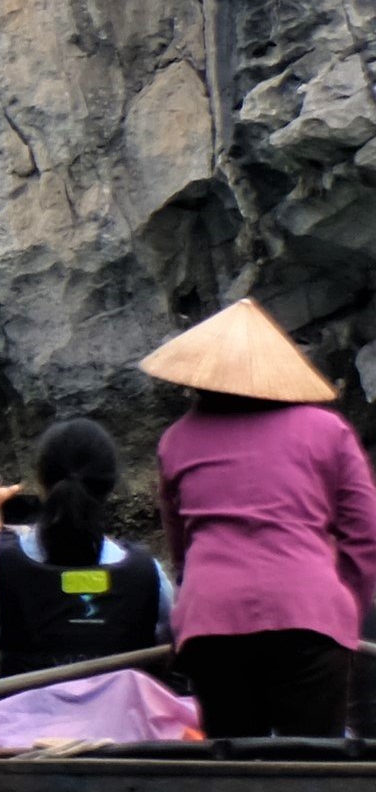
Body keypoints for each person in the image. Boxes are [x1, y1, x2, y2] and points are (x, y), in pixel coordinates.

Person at [0, 415, 191, 746]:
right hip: (121, 749)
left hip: (12, 752)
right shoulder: (148, 573)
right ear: (110, 487)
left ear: (41, 482)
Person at [146, 298, 376, 739]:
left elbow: (183, 551)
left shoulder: (176, 440)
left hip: (211, 618)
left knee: (232, 764)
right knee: (310, 765)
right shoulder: (328, 431)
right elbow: (364, 536)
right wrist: (345, 606)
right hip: (309, 613)